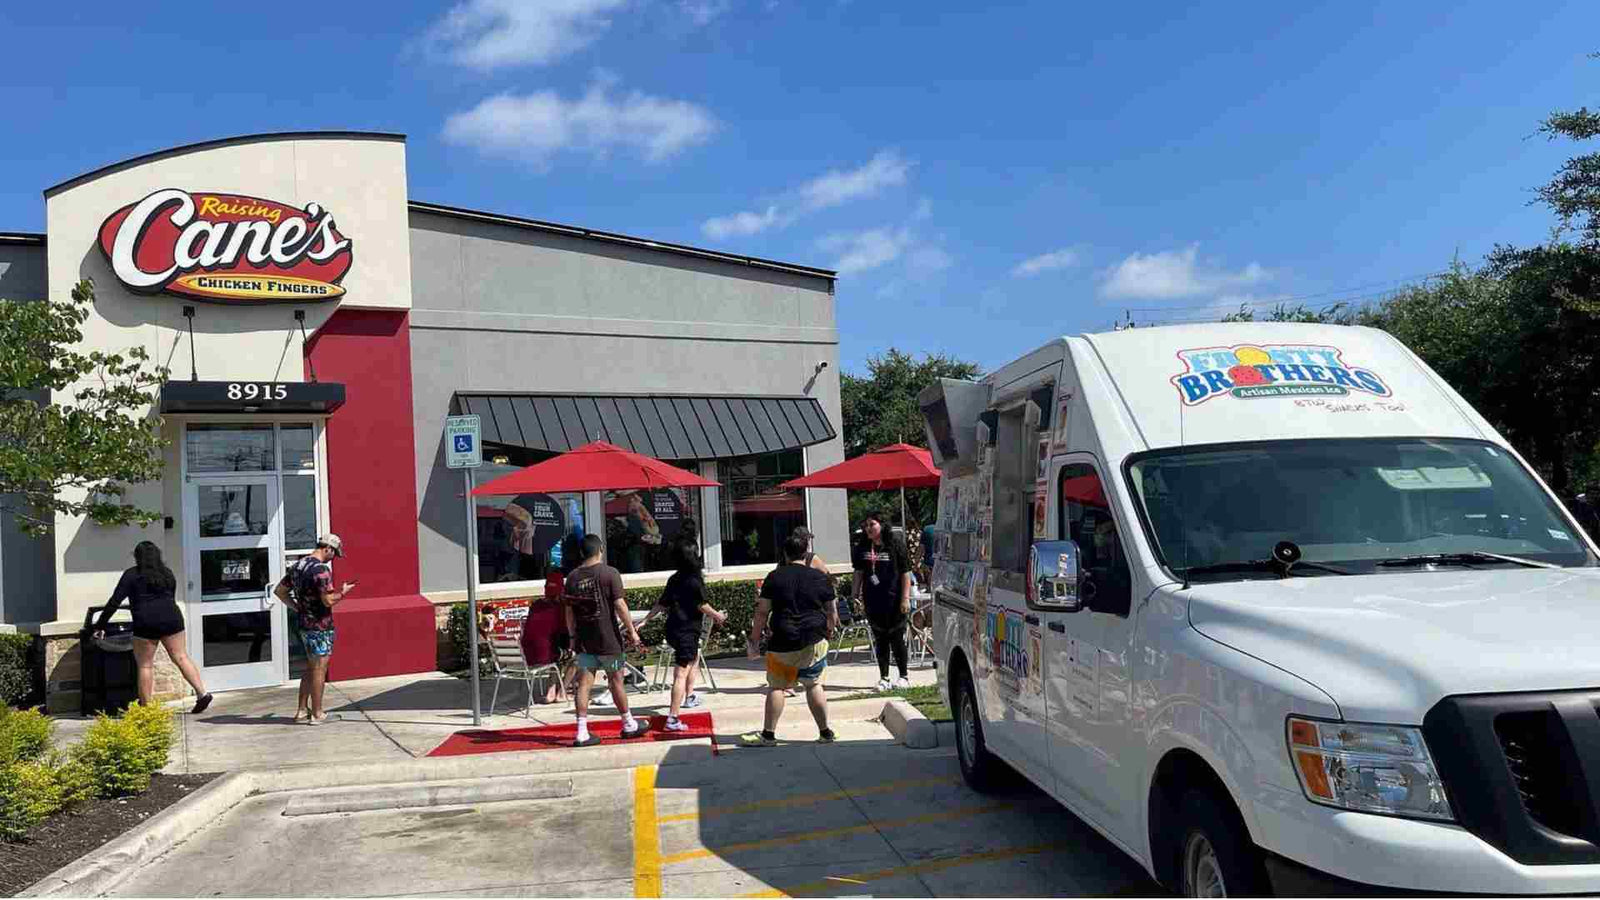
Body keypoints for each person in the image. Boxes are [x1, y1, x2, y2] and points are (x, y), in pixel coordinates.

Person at [740, 533, 839, 747]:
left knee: (777, 687)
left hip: (783, 639)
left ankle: (768, 735)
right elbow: (832, 612)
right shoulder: (820, 577)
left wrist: (754, 640)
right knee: (814, 685)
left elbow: (761, 612)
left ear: (785, 554)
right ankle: (825, 732)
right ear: (806, 553)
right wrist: (829, 630)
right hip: (814, 638)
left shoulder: (774, 577)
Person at [92, 541, 212, 713]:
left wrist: (100, 624)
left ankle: (147, 709)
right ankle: (202, 693)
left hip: (145, 621)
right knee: (181, 657)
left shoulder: (131, 575)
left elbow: (114, 601)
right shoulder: (167, 573)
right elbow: (171, 596)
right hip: (172, 618)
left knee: (145, 665)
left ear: (137, 557)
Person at [564, 534, 648, 746]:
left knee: (584, 683)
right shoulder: (609, 573)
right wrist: (632, 632)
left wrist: (573, 636)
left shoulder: (572, 578)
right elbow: (620, 605)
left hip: (585, 640)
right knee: (616, 680)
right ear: (600, 549)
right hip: (608, 639)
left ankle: (581, 732)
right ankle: (628, 724)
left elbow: (569, 613)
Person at [639, 538, 726, 731]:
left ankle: (689, 696)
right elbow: (701, 605)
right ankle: (673, 718)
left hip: (673, 629)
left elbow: (661, 603)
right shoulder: (694, 581)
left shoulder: (674, 579)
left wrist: (646, 619)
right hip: (687, 631)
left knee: (692, 659)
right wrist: (718, 616)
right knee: (680, 673)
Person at [274, 534, 356, 725]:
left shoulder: (298, 566)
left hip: (303, 624)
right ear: (328, 548)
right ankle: (318, 714)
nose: (332, 558)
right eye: (334, 554)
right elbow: (327, 600)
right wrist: (343, 592)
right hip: (320, 625)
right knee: (320, 668)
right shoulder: (321, 570)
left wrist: (297, 607)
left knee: (311, 667)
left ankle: (302, 711)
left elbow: (279, 591)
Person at [853, 514, 912, 691]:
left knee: (896, 638)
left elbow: (905, 573)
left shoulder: (895, 545)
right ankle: (884, 677)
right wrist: (854, 594)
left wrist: (905, 598)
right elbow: (858, 573)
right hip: (873, 600)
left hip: (895, 600)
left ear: (882, 525)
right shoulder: (862, 547)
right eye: (866, 525)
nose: (868, 528)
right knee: (880, 639)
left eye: (872, 524)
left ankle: (903, 676)